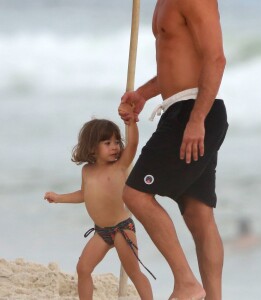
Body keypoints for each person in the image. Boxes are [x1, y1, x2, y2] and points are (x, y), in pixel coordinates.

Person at [119, 0, 228, 299]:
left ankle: (186, 283)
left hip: (195, 112)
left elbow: (216, 59)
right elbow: (177, 61)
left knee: (135, 194)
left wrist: (197, 119)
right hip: (182, 110)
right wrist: (143, 94)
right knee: (198, 214)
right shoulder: (161, 3)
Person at [44, 103, 154, 300]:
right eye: (107, 143)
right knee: (83, 268)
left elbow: (134, 145)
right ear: (92, 148)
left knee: (134, 272)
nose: (114, 147)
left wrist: (131, 123)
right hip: (101, 231)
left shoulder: (120, 165)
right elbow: (83, 195)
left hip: (122, 229)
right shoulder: (87, 170)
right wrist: (59, 198)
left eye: (116, 142)